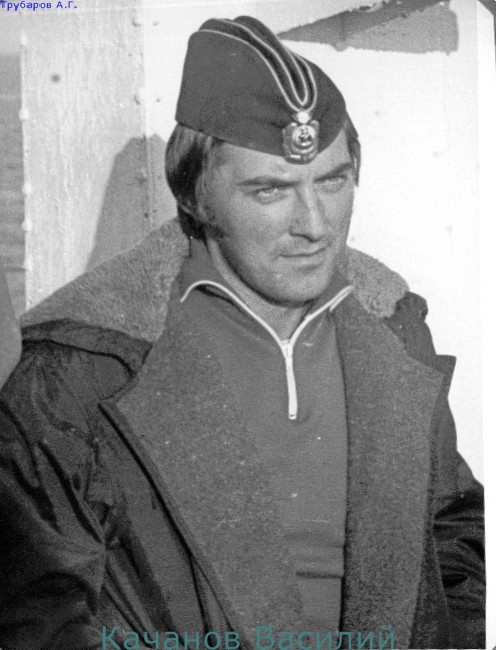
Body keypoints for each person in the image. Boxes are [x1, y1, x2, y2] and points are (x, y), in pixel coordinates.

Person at [0, 16, 485, 650]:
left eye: (333, 181)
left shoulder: (392, 324)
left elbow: (451, 534)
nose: (315, 225)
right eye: (270, 190)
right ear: (194, 194)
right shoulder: (79, 365)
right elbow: (41, 616)